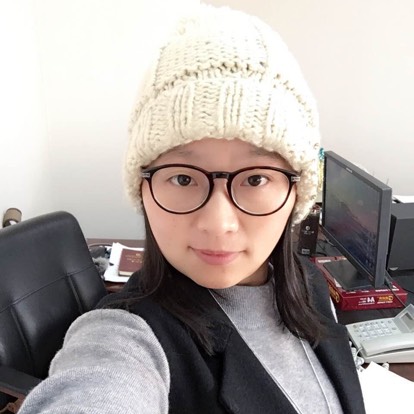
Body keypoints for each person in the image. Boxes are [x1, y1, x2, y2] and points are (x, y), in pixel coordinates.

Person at [18, 5, 365, 414]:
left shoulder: (309, 284)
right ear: (143, 188)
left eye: (256, 179)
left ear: (298, 191)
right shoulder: (122, 337)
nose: (218, 224)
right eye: (183, 178)